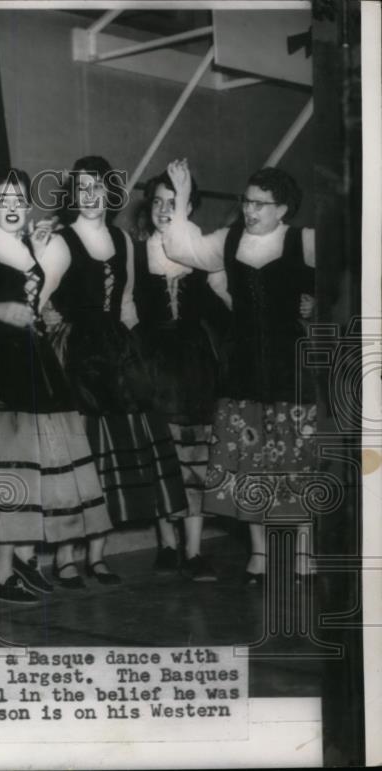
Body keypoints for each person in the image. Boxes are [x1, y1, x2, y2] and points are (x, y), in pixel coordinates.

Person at [0, 169, 113, 602]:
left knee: (42, 465)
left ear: (26, 206)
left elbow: (42, 300)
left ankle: (26, 562)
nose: (11, 205)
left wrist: (43, 254)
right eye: (2, 198)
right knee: (12, 467)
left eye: (18, 199)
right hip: (0, 360)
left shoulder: (32, 247)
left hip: (36, 358)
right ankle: (1, 572)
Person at [162, 159, 317, 584]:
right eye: (246, 202)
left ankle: (304, 552)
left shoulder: (303, 241)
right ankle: (259, 555)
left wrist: (317, 303)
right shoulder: (228, 239)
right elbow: (183, 250)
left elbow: (358, 267)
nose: (250, 211)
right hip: (243, 367)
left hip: (289, 367)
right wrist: (178, 201)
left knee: (294, 460)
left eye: (261, 205)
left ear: (282, 210)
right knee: (249, 461)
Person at [42, 156, 188, 583]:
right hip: (74, 356)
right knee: (78, 458)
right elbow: (37, 297)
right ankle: (66, 556)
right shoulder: (60, 240)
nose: (90, 196)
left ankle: (97, 554)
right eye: (82, 188)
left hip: (115, 354)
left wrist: (133, 357)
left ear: (110, 192)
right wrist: (50, 321)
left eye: (97, 187)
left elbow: (124, 305)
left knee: (108, 460)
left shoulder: (124, 241)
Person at [131, 171, 233, 581]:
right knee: (160, 454)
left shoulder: (205, 254)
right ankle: (167, 545)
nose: (163, 210)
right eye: (157, 201)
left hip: (193, 367)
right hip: (150, 363)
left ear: (189, 208)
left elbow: (232, 301)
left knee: (196, 457)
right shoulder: (136, 254)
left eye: (173, 202)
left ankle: (193, 550)